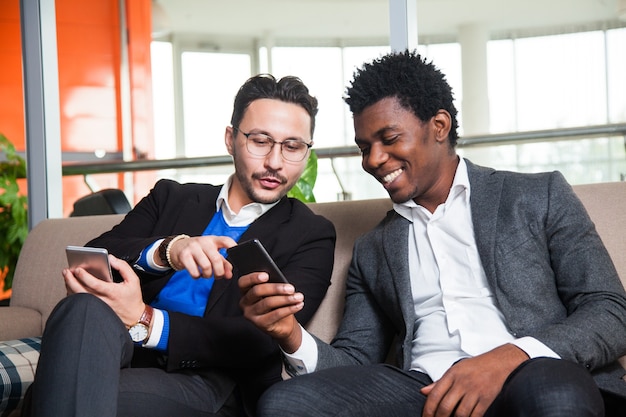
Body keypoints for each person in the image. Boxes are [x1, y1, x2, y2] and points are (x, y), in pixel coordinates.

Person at [238, 50, 626, 417]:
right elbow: (356, 361)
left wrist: (509, 356)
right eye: (364, 147)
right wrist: (289, 333)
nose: (372, 160)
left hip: (534, 371)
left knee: (555, 394)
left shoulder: (537, 195)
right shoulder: (374, 249)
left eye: (388, 139)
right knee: (285, 405)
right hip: (424, 392)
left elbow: (611, 310)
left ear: (439, 126)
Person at [24, 74, 336, 417]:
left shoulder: (312, 234)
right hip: (120, 352)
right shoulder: (171, 197)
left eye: (292, 147)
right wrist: (169, 250)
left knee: (54, 395)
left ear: (306, 153)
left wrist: (147, 320)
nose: (275, 162)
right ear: (231, 139)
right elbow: (99, 252)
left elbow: (262, 338)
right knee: (82, 308)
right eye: (260, 141)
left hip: (212, 382)